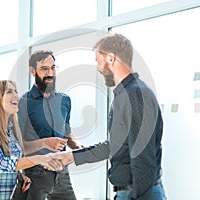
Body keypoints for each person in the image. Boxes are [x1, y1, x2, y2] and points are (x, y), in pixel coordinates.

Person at [51, 33, 167, 200]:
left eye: (99, 61)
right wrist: (70, 156)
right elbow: (115, 146)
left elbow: (143, 157)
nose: (98, 68)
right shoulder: (124, 95)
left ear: (111, 58)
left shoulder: (136, 95)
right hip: (128, 192)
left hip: (139, 193)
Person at [0, 80, 62, 199]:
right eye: (9, 92)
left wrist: (19, 176)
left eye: (16, 91)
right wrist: (40, 159)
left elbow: (12, 160)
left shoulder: (10, 130)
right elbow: (1, 164)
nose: (16, 96)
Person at [17, 50, 83, 200]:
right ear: (32, 71)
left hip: (62, 173)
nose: (50, 73)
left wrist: (77, 147)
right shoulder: (22, 103)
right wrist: (44, 143)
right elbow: (18, 146)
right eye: (44, 68)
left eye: (53, 68)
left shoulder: (65, 100)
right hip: (35, 175)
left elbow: (66, 132)